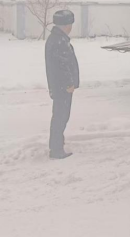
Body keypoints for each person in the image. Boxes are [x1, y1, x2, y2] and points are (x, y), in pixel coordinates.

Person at [45, 10, 80, 160]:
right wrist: (69, 84)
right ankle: (56, 149)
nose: (71, 27)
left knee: (60, 116)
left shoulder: (57, 39)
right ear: (66, 25)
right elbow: (62, 66)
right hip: (62, 87)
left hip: (59, 86)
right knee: (61, 116)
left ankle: (57, 143)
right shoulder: (59, 41)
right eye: (70, 24)